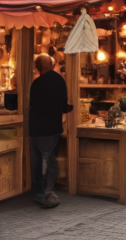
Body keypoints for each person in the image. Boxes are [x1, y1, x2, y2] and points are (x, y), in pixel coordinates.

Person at [30, 54, 73, 208]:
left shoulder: (36, 83)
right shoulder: (59, 80)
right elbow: (63, 104)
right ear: (52, 64)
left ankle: (44, 192)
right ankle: (47, 191)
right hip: (53, 127)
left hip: (37, 127)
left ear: (37, 67)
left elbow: (31, 104)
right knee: (49, 159)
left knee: (41, 160)